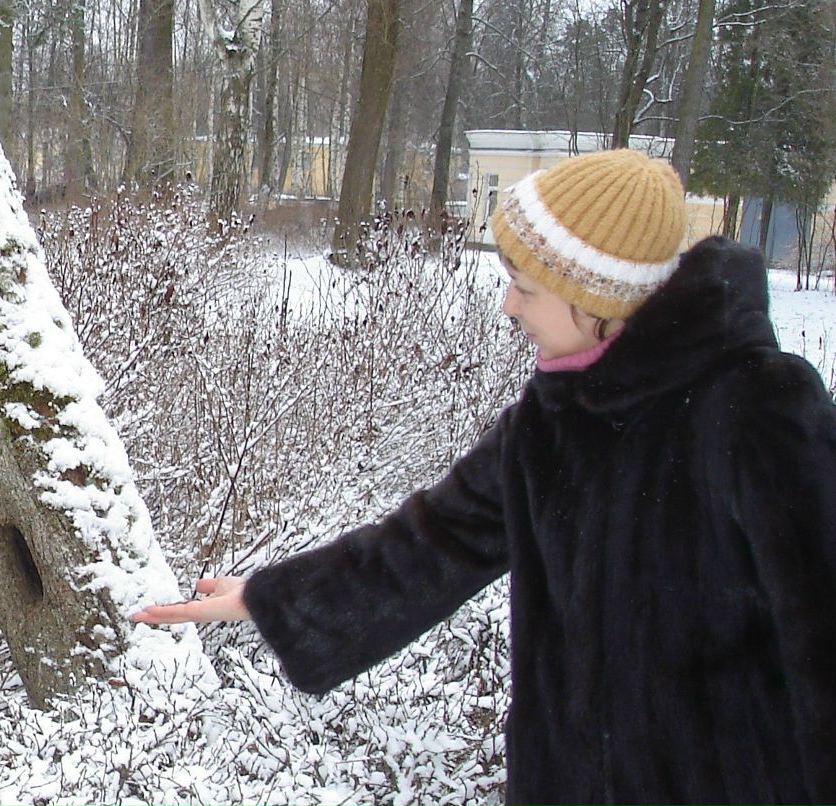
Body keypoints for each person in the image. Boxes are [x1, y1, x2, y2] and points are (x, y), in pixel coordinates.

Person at [133, 149, 836, 805]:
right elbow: (433, 541)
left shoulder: (757, 405)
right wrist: (271, 597)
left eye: (525, 288)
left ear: (597, 300)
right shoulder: (553, 420)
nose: (508, 307)